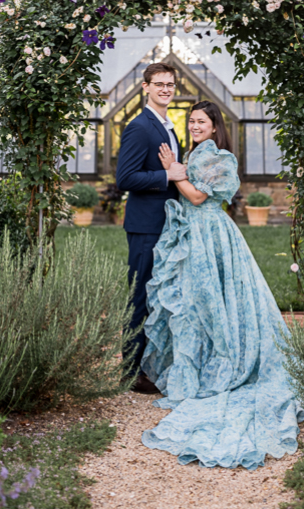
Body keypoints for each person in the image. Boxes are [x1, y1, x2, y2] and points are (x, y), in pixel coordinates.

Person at [141, 100, 304, 469]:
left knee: (214, 300)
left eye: (201, 122)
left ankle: (225, 363)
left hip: (211, 235)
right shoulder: (194, 153)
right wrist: (177, 168)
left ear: (215, 126)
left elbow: (199, 197)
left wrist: (173, 171)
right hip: (191, 234)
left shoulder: (221, 158)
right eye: (191, 122)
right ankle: (196, 366)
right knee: (194, 303)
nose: (195, 126)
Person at [115, 62, 187, 393]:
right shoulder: (140, 127)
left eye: (170, 85)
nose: (165, 89)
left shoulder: (167, 127)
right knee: (141, 295)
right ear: (145, 87)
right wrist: (166, 176)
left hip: (164, 224)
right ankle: (131, 372)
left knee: (157, 296)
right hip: (145, 226)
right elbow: (125, 179)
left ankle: (151, 365)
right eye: (159, 84)